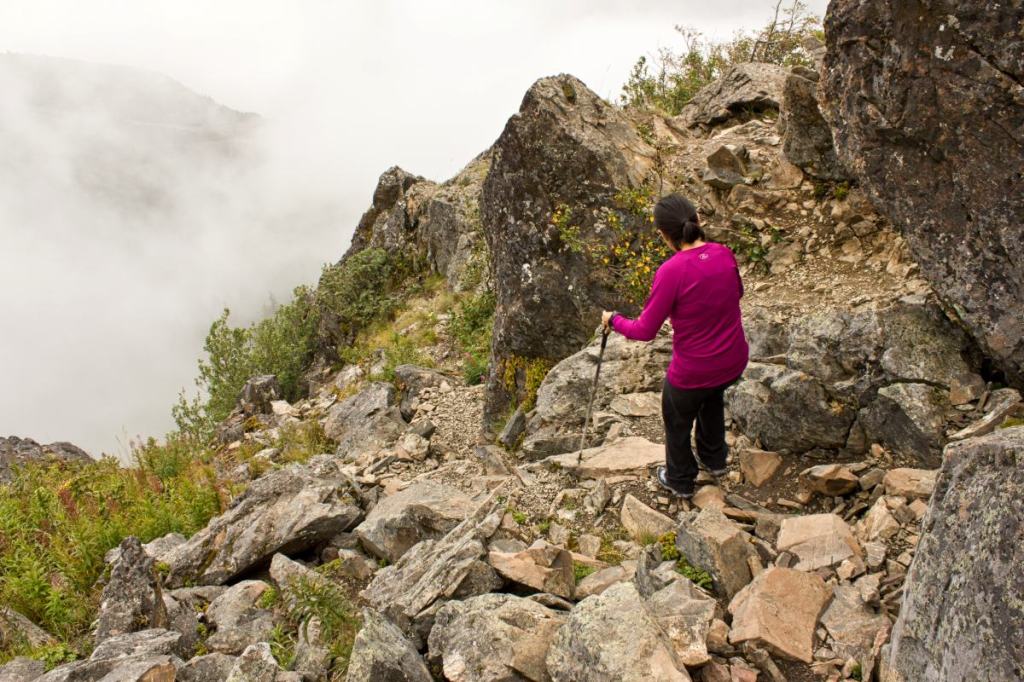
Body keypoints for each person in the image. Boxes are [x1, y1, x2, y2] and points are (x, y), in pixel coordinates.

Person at [602, 194, 749, 499]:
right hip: (733, 361)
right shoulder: (724, 253)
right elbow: (737, 292)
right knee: (712, 396)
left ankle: (680, 479)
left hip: (693, 372)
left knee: (677, 415)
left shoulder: (671, 271)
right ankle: (715, 459)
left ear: (663, 235)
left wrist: (613, 320)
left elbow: (644, 331)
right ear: (697, 219)